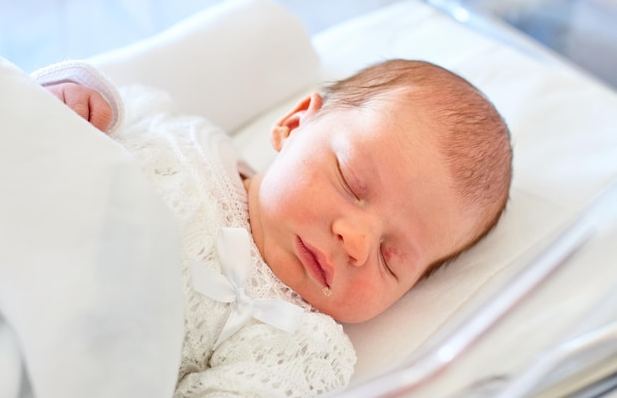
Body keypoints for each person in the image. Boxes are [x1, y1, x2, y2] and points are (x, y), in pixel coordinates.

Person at [35, 58, 512, 397]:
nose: (357, 240)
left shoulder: (298, 345)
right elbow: (99, 105)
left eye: (392, 259)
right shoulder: (189, 135)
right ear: (293, 124)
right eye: (350, 181)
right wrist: (73, 96)